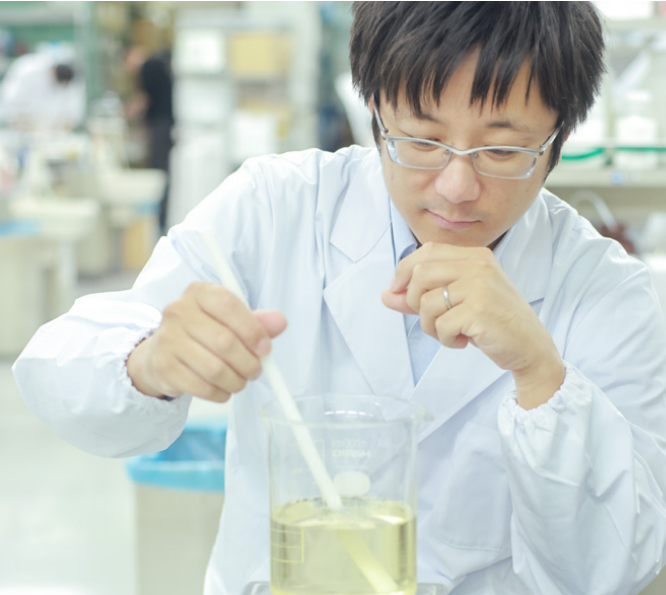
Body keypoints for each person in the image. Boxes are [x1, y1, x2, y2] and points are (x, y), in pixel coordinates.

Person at [13, 3, 666, 595]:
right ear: (375, 112)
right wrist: (151, 362)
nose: (456, 186)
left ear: (557, 141)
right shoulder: (276, 208)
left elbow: (616, 568)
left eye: (501, 149)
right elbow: (58, 367)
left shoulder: (607, 291)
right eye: (421, 139)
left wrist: (541, 375)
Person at [124, 46, 174, 233]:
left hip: (161, 125)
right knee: (161, 171)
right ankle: (160, 217)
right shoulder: (156, 65)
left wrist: (126, 113)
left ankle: (160, 219)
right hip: (165, 124)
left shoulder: (148, 67)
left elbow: (143, 99)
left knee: (159, 172)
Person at [0, 47, 86, 132]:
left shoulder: (72, 79)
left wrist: (64, 125)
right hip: (21, 131)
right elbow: (9, 101)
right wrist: (27, 121)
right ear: (53, 70)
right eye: (59, 82)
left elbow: (74, 114)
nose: (61, 86)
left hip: (53, 134)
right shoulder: (27, 69)